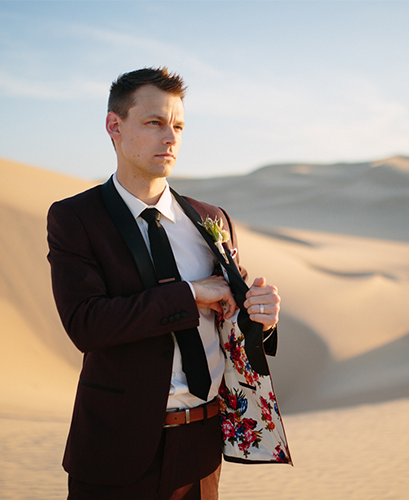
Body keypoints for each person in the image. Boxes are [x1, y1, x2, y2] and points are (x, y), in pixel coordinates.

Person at [47, 67, 281, 500]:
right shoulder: (76, 218)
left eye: (178, 126)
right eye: (154, 123)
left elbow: (232, 318)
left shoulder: (211, 219)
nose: (170, 138)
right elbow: (86, 324)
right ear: (114, 126)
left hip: (201, 451)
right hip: (116, 450)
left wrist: (260, 316)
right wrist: (191, 294)